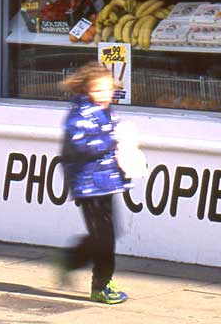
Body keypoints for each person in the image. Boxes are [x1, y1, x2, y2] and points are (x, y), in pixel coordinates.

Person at [58, 62, 129, 305]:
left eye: (108, 90)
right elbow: (78, 144)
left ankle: (72, 260)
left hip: (106, 181)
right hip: (87, 184)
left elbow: (117, 138)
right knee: (103, 236)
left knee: (108, 233)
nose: (104, 96)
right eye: (98, 91)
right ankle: (101, 285)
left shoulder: (106, 111)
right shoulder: (80, 114)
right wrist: (110, 141)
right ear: (85, 90)